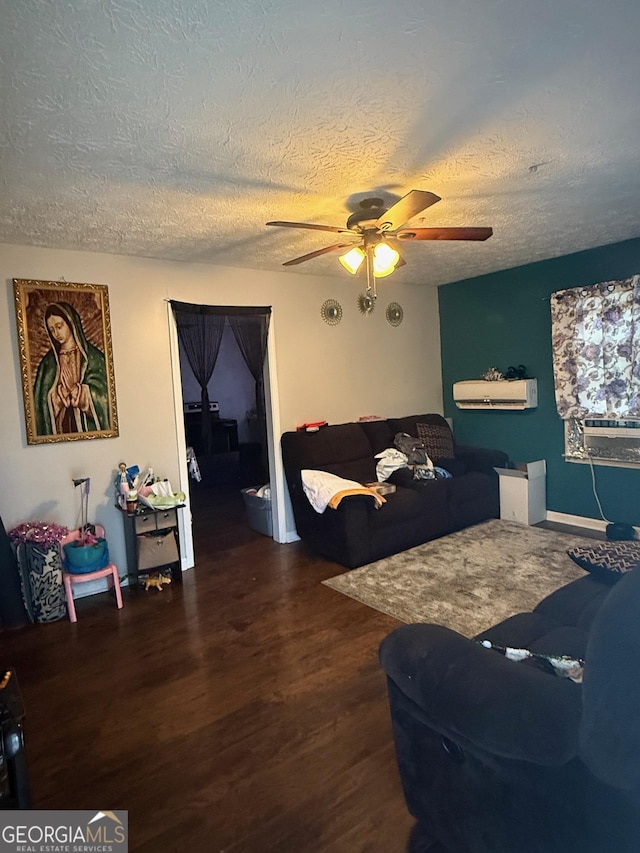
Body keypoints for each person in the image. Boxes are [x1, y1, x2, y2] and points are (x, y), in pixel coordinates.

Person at [33, 302, 110, 436]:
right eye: (52, 330)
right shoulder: (48, 363)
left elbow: (105, 398)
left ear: (71, 323)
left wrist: (76, 391)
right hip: (60, 427)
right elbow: (39, 405)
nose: (56, 333)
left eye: (59, 326)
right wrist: (59, 395)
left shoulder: (93, 358)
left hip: (88, 427)